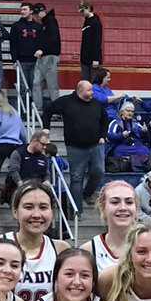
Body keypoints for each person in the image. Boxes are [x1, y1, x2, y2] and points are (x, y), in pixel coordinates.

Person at [43, 81, 108, 209]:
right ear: (80, 91)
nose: (92, 92)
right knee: (76, 177)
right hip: (75, 147)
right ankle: (76, 210)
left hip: (96, 145)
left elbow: (105, 120)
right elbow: (48, 111)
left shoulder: (95, 103)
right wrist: (46, 128)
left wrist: (103, 136)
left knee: (99, 172)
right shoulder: (66, 101)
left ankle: (87, 193)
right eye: (89, 90)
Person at [5, 180, 69, 301]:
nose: (36, 214)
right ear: (15, 211)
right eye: (28, 207)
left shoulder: (61, 249)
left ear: (51, 211)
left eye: (43, 207)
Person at [80, 180, 137, 272]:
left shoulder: (150, 247)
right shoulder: (88, 250)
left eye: (129, 202)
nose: (123, 208)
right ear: (102, 209)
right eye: (115, 202)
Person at [0, 92, 26, 202]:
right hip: (15, 146)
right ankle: (19, 195)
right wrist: (24, 144)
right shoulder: (15, 112)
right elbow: (23, 132)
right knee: (16, 171)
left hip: (0, 145)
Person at [1, 129, 50, 203]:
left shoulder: (43, 157)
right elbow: (13, 170)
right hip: (20, 188)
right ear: (34, 141)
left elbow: (46, 173)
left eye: (46, 145)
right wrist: (20, 184)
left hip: (37, 190)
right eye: (43, 144)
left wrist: (47, 181)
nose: (44, 147)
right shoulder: (18, 153)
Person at [31, 2, 61, 113]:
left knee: (52, 86)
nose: (36, 16)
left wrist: (42, 49)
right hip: (43, 57)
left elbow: (53, 38)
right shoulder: (45, 22)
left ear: (42, 11)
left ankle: (57, 111)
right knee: (36, 83)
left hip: (49, 56)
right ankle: (38, 109)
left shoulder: (51, 21)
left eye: (37, 13)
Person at [9, 3, 42, 100]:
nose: (22, 12)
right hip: (21, 61)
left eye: (24, 9)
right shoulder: (15, 26)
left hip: (35, 62)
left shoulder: (38, 27)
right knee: (23, 89)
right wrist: (14, 61)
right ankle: (24, 113)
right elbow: (13, 44)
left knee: (35, 87)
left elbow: (41, 43)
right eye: (21, 10)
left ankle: (34, 109)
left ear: (31, 11)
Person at [107, 100, 150, 173]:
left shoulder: (135, 123)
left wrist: (144, 132)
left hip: (136, 146)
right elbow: (109, 136)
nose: (130, 113)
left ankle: (139, 170)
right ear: (122, 111)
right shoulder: (115, 122)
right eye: (128, 111)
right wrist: (122, 135)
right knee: (118, 150)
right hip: (121, 145)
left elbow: (146, 139)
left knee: (144, 149)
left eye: (132, 111)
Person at [78, 0, 103, 80]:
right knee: (85, 83)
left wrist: (96, 58)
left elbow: (97, 41)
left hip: (93, 60)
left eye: (83, 11)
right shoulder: (86, 21)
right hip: (85, 59)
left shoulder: (96, 22)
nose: (82, 13)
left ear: (88, 8)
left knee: (94, 83)